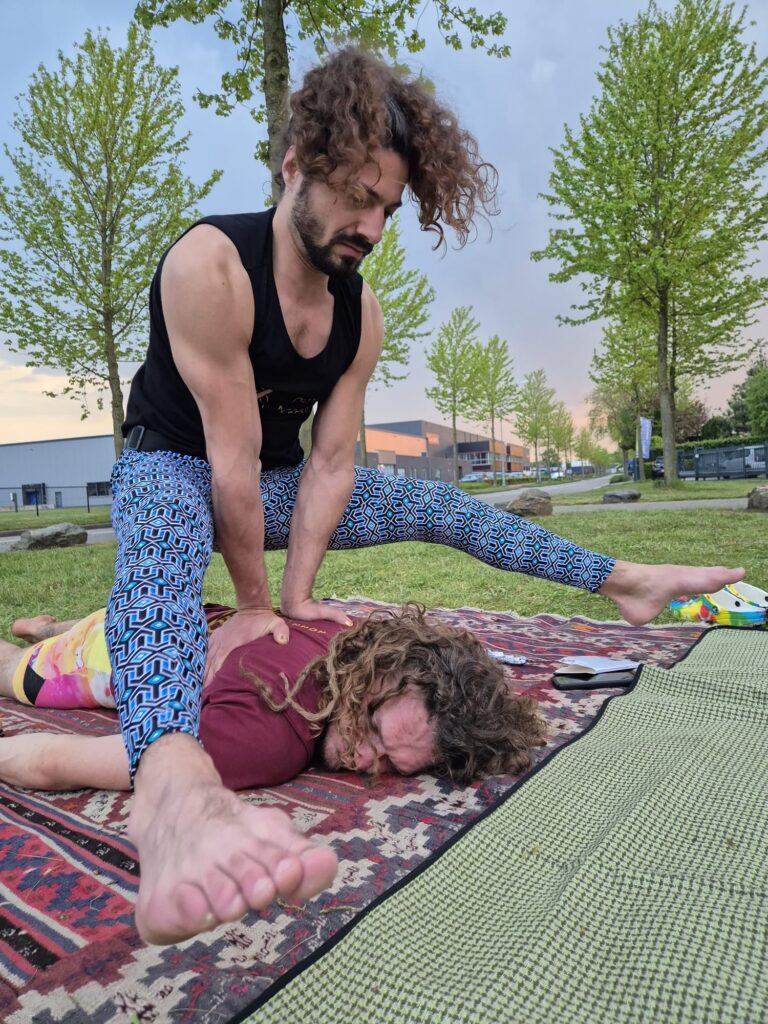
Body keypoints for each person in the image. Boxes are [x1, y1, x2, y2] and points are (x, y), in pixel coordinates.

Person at [109, 44, 744, 945]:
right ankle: (170, 791)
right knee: (168, 537)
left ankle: (620, 579)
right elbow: (229, 459)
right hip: (174, 463)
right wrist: (255, 606)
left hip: (277, 481)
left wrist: (299, 598)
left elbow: (329, 464)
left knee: (428, 500)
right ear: (295, 166)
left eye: (387, 207)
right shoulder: (209, 266)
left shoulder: (358, 312)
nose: (370, 224)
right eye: (355, 194)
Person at [0, 605, 546, 933]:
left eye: (389, 766)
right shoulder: (267, 736)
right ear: (386, 670)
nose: (361, 761)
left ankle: (46, 623)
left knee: (96, 619)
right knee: (12, 669)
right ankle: (36, 641)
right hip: (105, 650)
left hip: (179, 610)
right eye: (374, 730)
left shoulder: (348, 634)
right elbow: (53, 760)